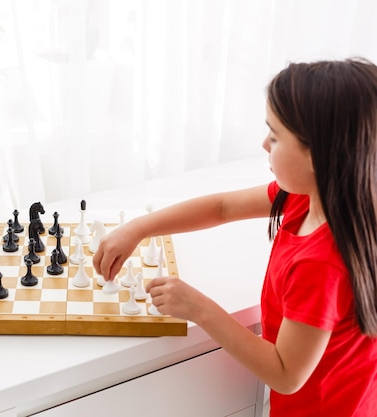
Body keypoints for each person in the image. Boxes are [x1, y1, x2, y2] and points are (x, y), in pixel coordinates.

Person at [93, 58, 377, 416]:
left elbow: (285, 373)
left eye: (275, 136)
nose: (263, 144)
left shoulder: (321, 263)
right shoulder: (314, 197)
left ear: (319, 155)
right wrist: (138, 227)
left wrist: (198, 308)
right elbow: (223, 207)